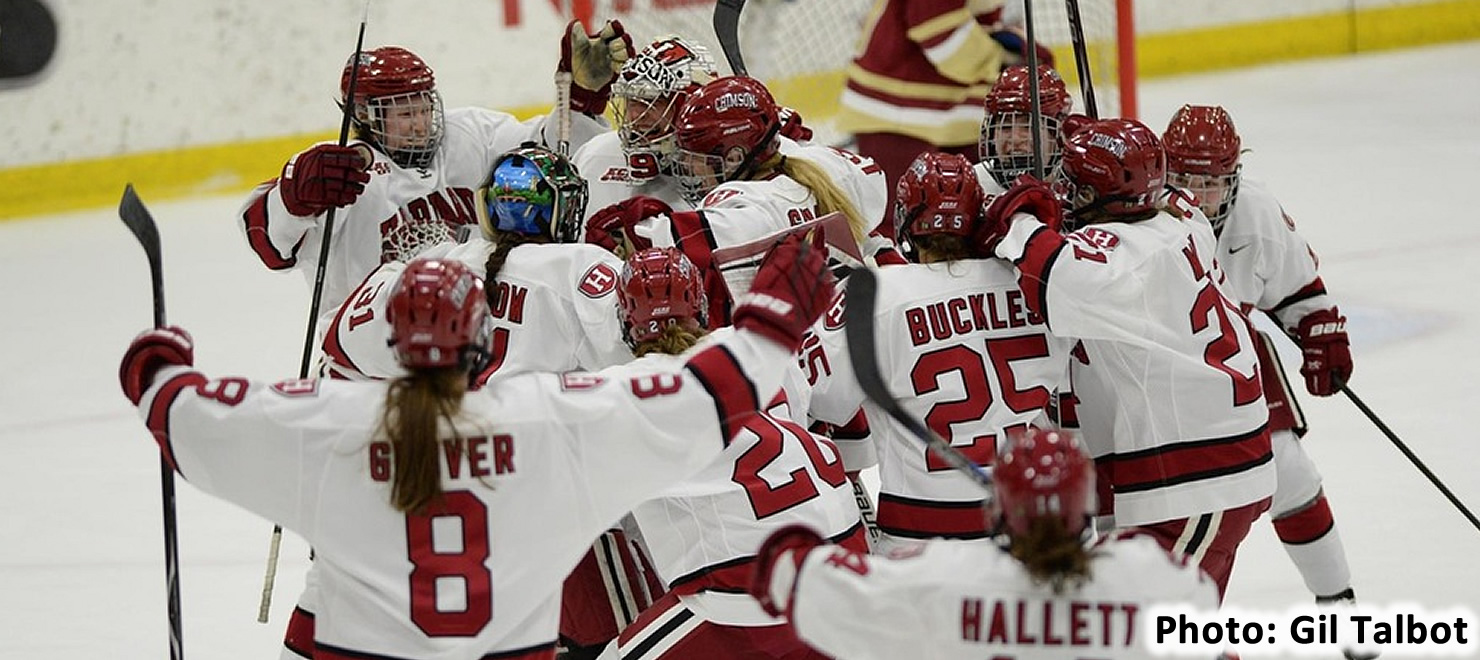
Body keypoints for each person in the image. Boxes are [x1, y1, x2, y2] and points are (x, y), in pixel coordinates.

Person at [117, 230, 837, 659]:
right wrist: (768, 323)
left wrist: (159, 368)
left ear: (392, 343)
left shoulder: (325, 424)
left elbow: (185, 414)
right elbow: (705, 396)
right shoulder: (553, 420)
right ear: (487, 338)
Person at [315, 143, 654, 659]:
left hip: (453, 509)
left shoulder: (434, 269)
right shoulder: (582, 268)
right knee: (633, 641)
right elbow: (653, 360)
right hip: (564, 517)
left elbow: (341, 345)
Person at [980, 117, 1276, 596]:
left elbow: (1049, 271)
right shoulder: (1184, 214)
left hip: (1197, 475)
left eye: (1075, 189)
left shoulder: (1121, 264)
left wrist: (1018, 220)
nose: (1067, 198)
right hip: (1205, 459)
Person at [239, 24, 631, 328]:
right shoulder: (337, 174)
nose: (421, 124)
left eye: (424, 107)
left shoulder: (469, 135)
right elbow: (270, 244)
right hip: (369, 348)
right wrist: (293, 197)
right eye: (405, 113)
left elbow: (547, 153)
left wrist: (576, 99)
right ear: (363, 116)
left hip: (466, 339)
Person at [1162, 105, 1368, 655]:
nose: (1198, 196)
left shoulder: (1255, 211)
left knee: (1292, 475)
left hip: (1232, 366)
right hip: (1153, 380)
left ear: (1233, 177)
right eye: (1184, 180)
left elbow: (1298, 288)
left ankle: (1339, 607)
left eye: (1210, 183)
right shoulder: (1140, 218)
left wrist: (1322, 334)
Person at [747, 428, 1221, 659]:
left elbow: (786, 574)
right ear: (1089, 505)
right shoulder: (1154, 577)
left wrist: (798, 548)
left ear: (998, 511)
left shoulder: (943, 576)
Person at [602, 247, 866, 658]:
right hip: (846, 549)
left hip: (746, 586)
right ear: (702, 305)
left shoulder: (617, 390)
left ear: (625, 319)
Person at [803, 151, 1071, 553]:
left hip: (924, 537)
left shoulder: (874, 294)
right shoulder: (1029, 282)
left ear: (907, 220)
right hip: (1035, 528)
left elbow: (824, 400)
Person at [586, 75, 891, 326]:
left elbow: (656, 241)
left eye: (697, 158)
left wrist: (630, 215)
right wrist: (784, 139)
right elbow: (870, 183)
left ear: (734, 157)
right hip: (857, 326)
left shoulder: (743, 211)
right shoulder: (831, 170)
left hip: (795, 360)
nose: (688, 167)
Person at [837, 0, 1053, 219]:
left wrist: (1014, 46)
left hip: (947, 113)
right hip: (896, 115)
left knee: (973, 213)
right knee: (901, 222)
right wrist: (1003, 62)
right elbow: (940, 33)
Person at [974, 64, 1075, 194]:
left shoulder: (1080, 188)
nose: (1015, 139)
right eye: (1005, 127)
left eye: (1029, 126)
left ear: (1059, 134)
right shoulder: (973, 186)